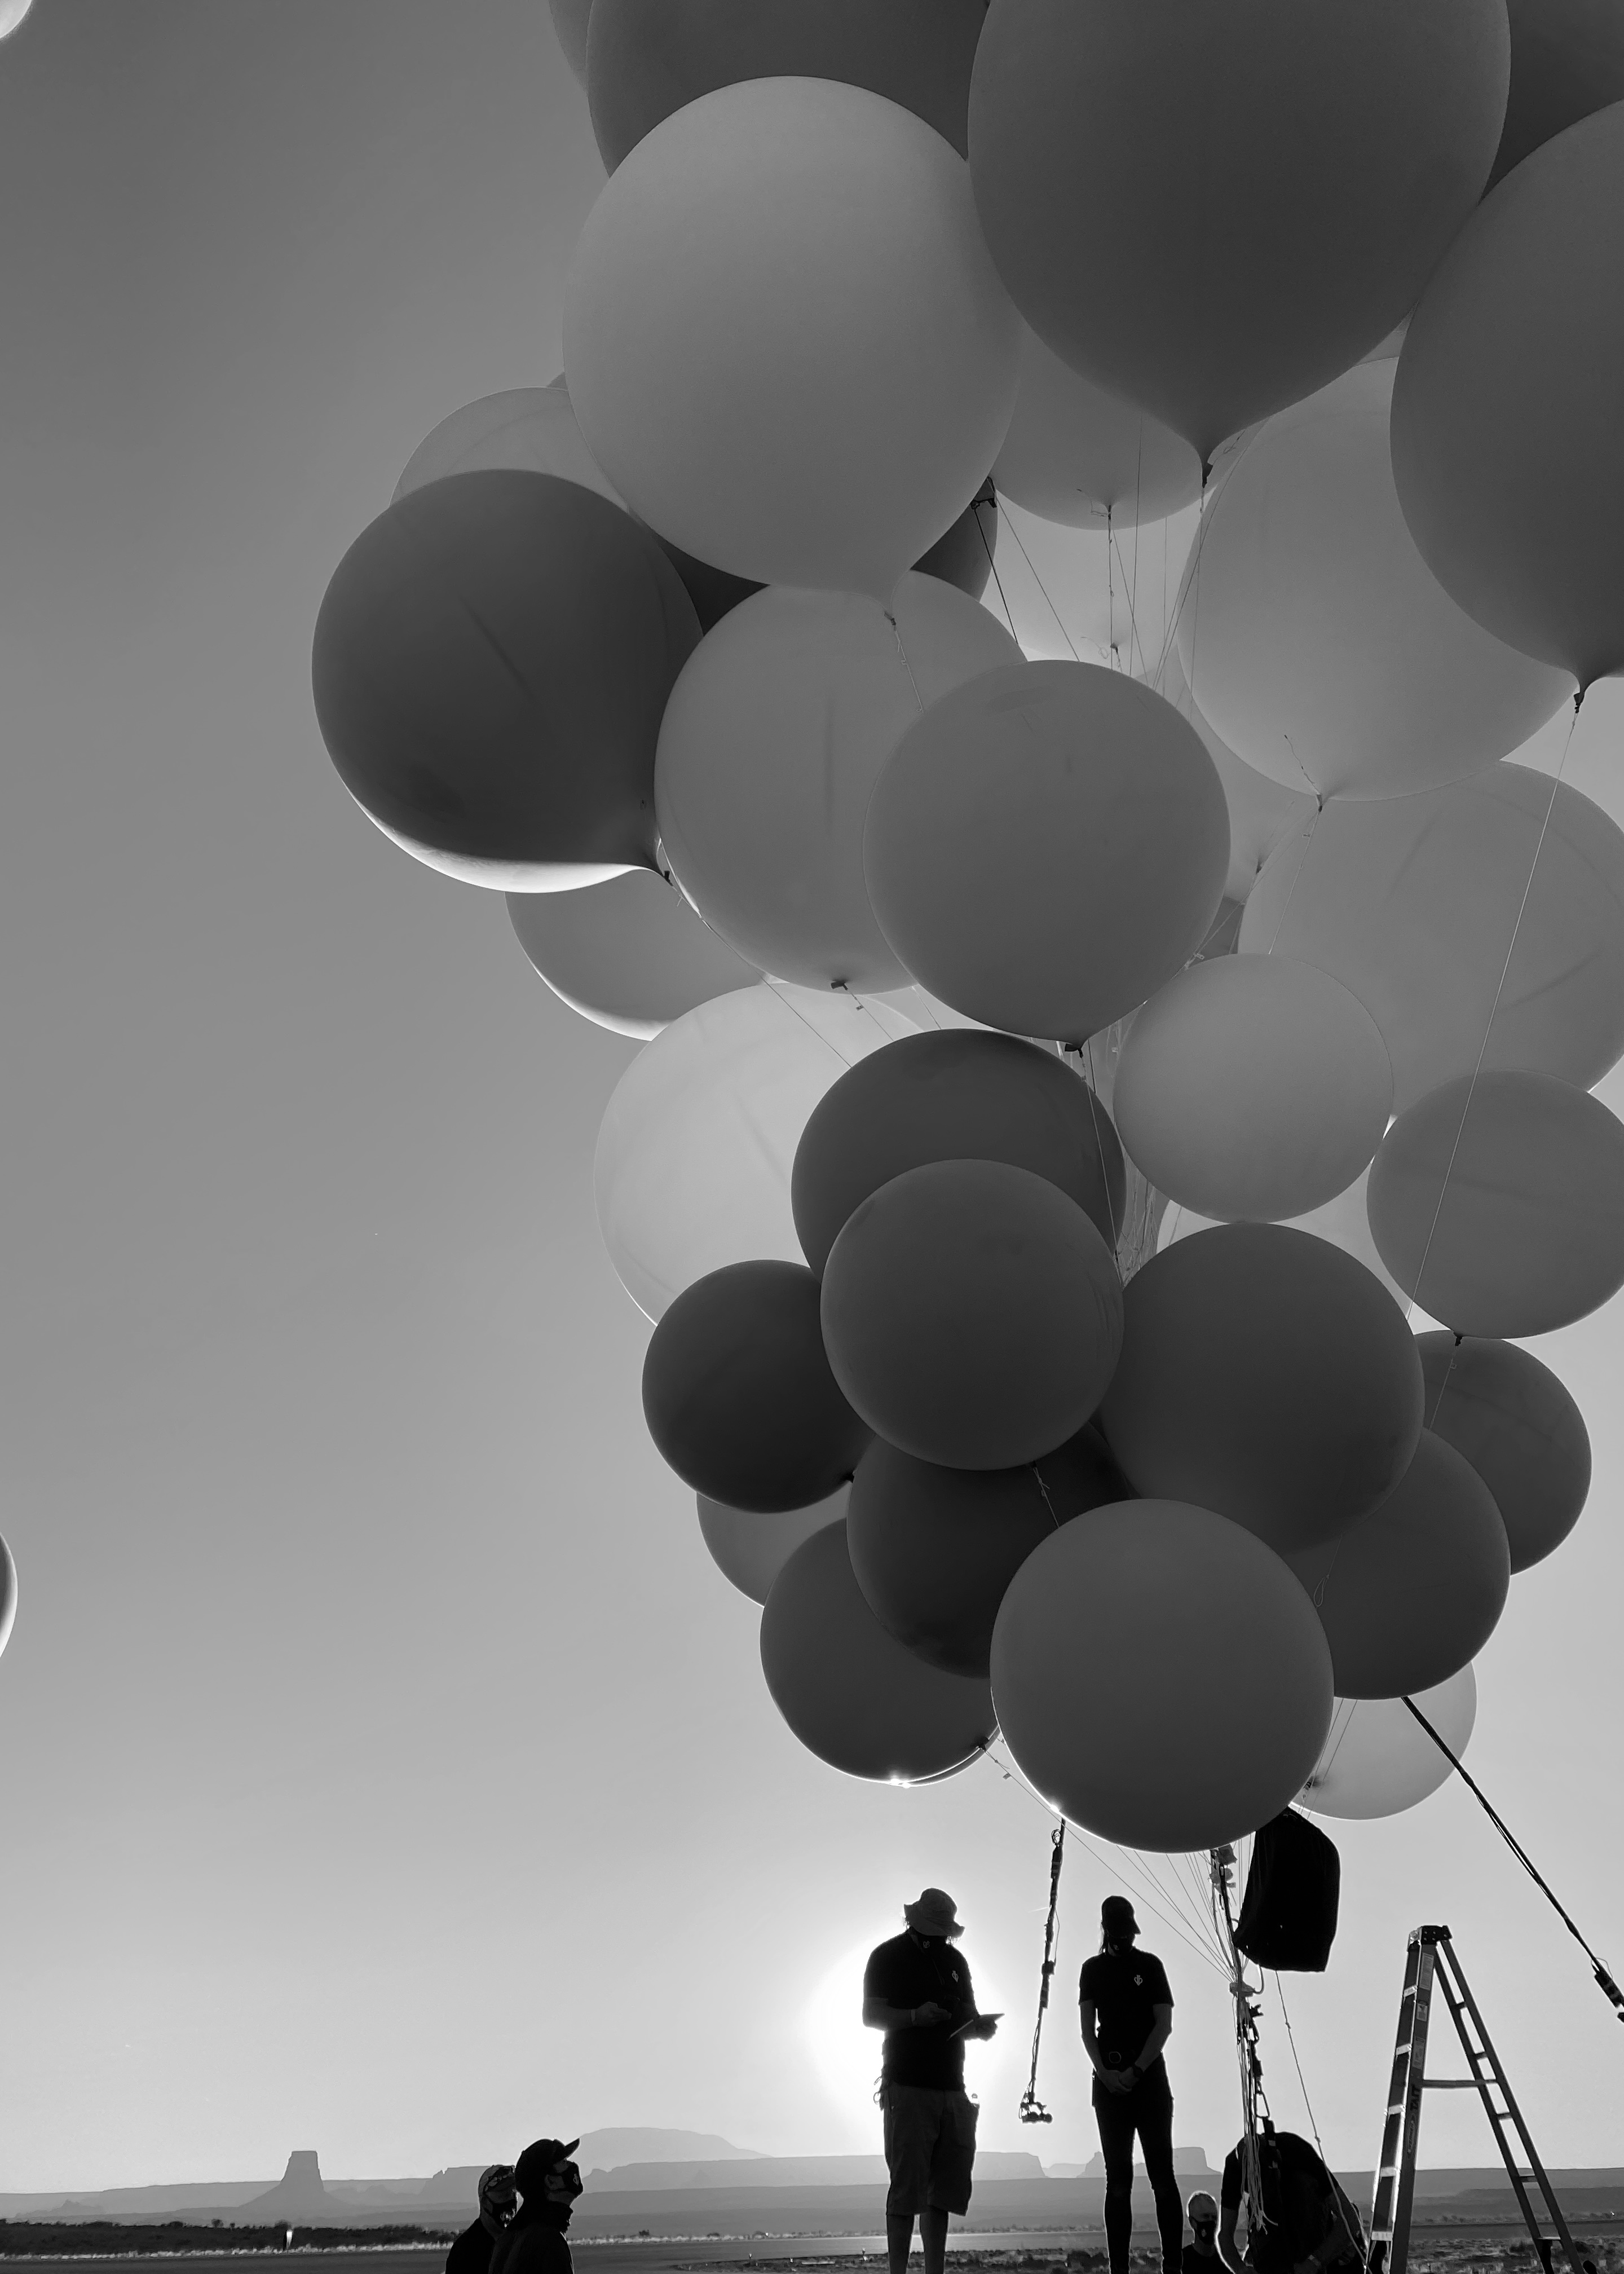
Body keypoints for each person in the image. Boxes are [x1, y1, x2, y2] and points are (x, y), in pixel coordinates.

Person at [863, 1887, 1000, 2274]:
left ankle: (935, 2271)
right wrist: (914, 2018)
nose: (940, 1940)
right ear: (915, 1924)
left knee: (942, 2195)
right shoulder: (887, 1957)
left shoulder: (956, 1960)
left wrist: (979, 2029)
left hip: (952, 2088)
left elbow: (967, 2016)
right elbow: (870, 2016)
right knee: (907, 2193)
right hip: (907, 2087)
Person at [1079, 1895, 1182, 2274]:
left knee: (1162, 2175)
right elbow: (1088, 2031)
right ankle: (1118, 2270)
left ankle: (1174, 2265)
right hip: (1110, 2088)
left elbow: (1163, 2024)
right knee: (1118, 2180)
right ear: (1108, 1930)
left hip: (1149, 2082)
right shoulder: (1092, 1969)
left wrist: (1138, 2069)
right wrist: (1106, 2074)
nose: (1125, 1938)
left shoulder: (1150, 1966)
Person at [1216, 2127, 1363, 2274]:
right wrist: (1240, 2269)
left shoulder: (1297, 2152)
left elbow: (1350, 2220)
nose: (1264, 2193)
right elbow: (1225, 2235)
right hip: (1269, 2241)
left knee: (1303, 2185)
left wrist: (1314, 2262)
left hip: (1308, 2225)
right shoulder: (1234, 2167)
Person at [487, 2139, 583, 2274]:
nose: (572, 2166)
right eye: (564, 2162)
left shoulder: (509, 2238)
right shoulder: (549, 2240)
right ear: (551, 2182)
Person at [447, 2166, 517, 2274]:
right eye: (504, 2195)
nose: (511, 2200)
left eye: (513, 2194)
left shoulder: (519, 2241)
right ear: (485, 2202)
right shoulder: (466, 2251)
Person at [1184, 2189, 1221, 2274]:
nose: (1211, 2221)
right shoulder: (1182, 2262)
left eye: (1214, 2217)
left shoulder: (1227, 2260)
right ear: (1192, 2222)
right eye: (1206, 2216)